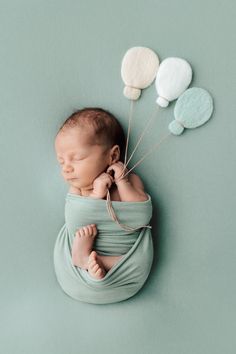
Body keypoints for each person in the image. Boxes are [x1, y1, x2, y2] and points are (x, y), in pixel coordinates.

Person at [54, 107, 149, 280]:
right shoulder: (78, 190)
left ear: (113, 156)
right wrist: (95, 196)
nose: (66, 168)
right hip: (80, 273)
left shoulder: (131, 181)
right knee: (79, 235)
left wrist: (123, 183)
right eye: (61, 162)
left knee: (140, 261)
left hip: (123, 263)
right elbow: (75, 221)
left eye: (77, 158)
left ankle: (90, 260)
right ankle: (83, 258)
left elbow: (141, 216)